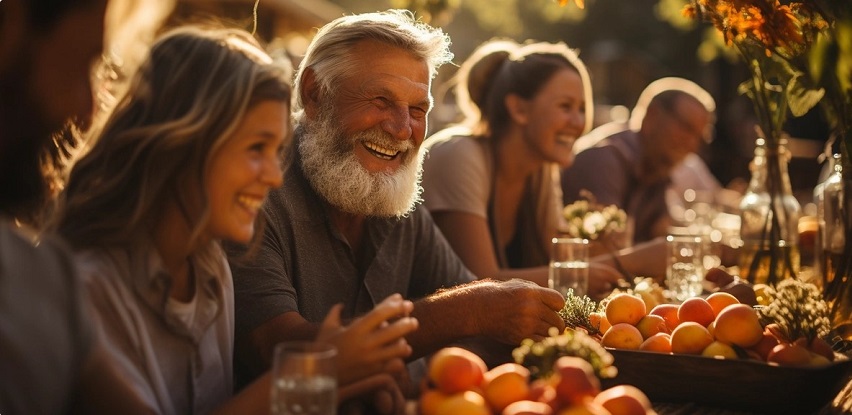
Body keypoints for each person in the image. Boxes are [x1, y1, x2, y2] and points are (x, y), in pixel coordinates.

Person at [50, 25, 413, 414]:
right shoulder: (88, 289)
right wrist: (315, 373)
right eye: (256, 148)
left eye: (277, 151)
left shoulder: (211, 272)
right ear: (182, 142)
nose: (275, 176)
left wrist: (346, 385)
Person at [225, 9, 566, 397]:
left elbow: (483, 331)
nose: (402, 128)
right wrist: (466, 311)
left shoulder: (390, 192)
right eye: (380, 99)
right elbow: (280, 353)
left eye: (418, 109)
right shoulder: (257, 193)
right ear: (315, 93)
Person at [420, 39, 622, 299]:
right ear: (518, 109)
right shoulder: (460, 155)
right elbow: (480, 282)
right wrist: (630, 263)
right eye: (565, 106)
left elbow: (556, 260)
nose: (578, 122)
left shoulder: (541, 169)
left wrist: (603, 248)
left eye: (582, 109)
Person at [561, 77, 716, 244]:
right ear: (652, 115)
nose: (692, 146)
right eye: (686, 128)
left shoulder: (656, 168)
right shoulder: (604, 160)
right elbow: (604, 249)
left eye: (699, 138)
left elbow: (663, 231)